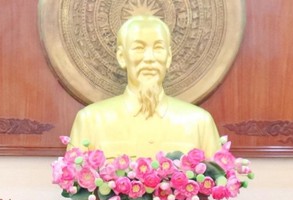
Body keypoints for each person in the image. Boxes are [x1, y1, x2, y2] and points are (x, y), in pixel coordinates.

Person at [68, 15, 220, 158]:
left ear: (168, 58)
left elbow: (217, 181)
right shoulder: (91, 120)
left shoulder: (200, 122)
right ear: (122, 57)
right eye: (139, 48)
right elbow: (75, 181)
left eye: (158, 48)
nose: (149, 58)